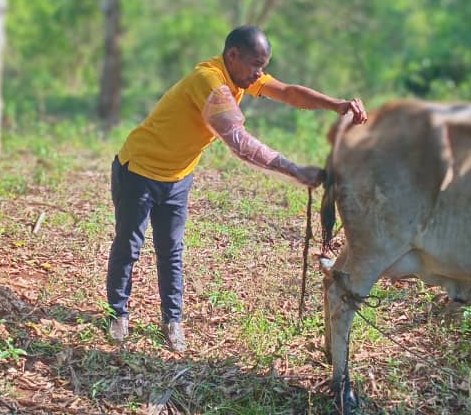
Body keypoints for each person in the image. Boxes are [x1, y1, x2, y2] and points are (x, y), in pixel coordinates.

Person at [105, 25, 367, 352]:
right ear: (233, 56)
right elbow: (239, 142)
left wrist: (338, 105)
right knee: (129, 245)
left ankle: (171, 320)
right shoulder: (209, 80)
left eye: (264, 66)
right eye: (256, 65)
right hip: (138, 171)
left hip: (177, 176)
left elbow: (287, 92)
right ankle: (118, 313)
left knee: (171, 251)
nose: (260, 73)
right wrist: (293, 169)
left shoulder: (241, 75)